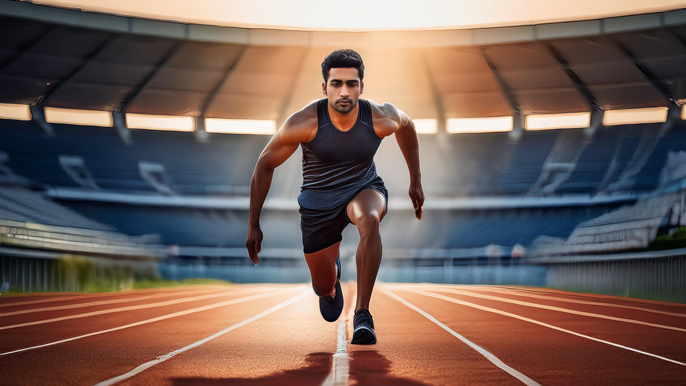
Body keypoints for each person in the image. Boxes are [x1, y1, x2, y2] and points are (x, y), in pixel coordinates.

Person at [246, 49, 424, 345]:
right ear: (325, 87)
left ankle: (363, 315)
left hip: (364, 189)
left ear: (361, 87)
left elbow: (407, 126)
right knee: (322, 288)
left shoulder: (378, 117)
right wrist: (253, 224)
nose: (344, 91)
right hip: (319, 205)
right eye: (337, 83)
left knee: (369, 220)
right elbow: (265, 163)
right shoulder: (304, 122)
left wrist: (415, 181)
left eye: (351, 84)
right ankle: (332, 280)